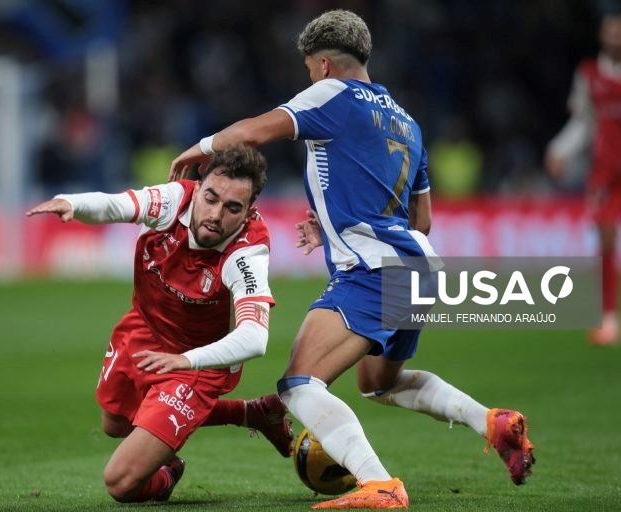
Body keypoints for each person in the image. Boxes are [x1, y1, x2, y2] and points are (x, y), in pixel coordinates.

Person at [170, 10, 534, 509]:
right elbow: (422, 219)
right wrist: (333, 225)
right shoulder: (407, 122)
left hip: (373, 271)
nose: (309, 80)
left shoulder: (330, 94)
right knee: (378, 382)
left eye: (308, 70)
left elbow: (253, 132)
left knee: (298, 384)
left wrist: (200, 149)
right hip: (419, 267)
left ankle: (379, 485)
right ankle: (490, 422)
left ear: (322, 65)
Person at [26, 144, 292, 503]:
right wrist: (73, 203)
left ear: (248, 211)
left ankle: (166, 476)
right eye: (211, 199)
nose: (215, 215)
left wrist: (187, 361)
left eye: (232, 208)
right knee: (115, 423)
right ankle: (254, 413)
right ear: (198, 187)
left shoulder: (247, 252)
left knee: (121, 482)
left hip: (198, 362)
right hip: (145, 329)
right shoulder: (172, 201)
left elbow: (254, 338)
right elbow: (118, 205)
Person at [545, 8, 621, 345]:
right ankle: (608, 317)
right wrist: (560, 149)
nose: (616, 37)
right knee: (605, 239)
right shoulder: (589, 74)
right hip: (606, 170)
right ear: (602, 35)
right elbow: (584, 122)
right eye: (611, 31)